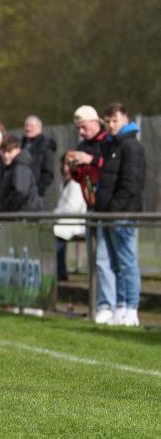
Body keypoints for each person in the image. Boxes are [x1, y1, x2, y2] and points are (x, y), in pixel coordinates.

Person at [93, 103, 145, 327]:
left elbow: (130, 184)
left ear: (125, 118)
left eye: (115, 120)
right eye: (108, 121)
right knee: (111, 262)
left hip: (122, 213)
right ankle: (118, 306)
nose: (111, 125)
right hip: (107, 213)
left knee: (126, 262)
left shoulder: (132, 146)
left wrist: (114, 208)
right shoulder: (109, 145)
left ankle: (131, 307)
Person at [53, 156, 87, 282]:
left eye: (69, 165)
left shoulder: (76, 183)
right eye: (64, 165)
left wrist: (55, 214)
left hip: (75, 222)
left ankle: (60, 273)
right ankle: (58, 272)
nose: (65, 168)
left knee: (58, 234)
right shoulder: (64, 183)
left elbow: (72, 208)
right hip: (63, 221)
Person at [66, 105, 107, 209]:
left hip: (109, 202)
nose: (81, 132)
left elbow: (113, 167)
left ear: (95, 122)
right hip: (90, 202)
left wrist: (91, 160)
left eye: (84, 127)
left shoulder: (109, 141)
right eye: (78, 128)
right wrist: (73, 168)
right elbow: (80, 178)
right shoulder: (82, 146)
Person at [21, 115, 56, 208]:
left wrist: (37, 191)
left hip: (35, 195)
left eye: (31, 126)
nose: (28, 128)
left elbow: (48, 173)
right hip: (20, 192)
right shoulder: (21, 144)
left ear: (39, 128)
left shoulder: (45, 145)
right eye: (26, 125)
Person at [0, 135, 39, 212]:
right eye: (3, 152)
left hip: (22, 215)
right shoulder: (13, 166)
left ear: (18, 150)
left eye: (9, 151)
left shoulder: (20, 166)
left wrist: (8, 209)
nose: (6, 155)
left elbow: (21, 192)